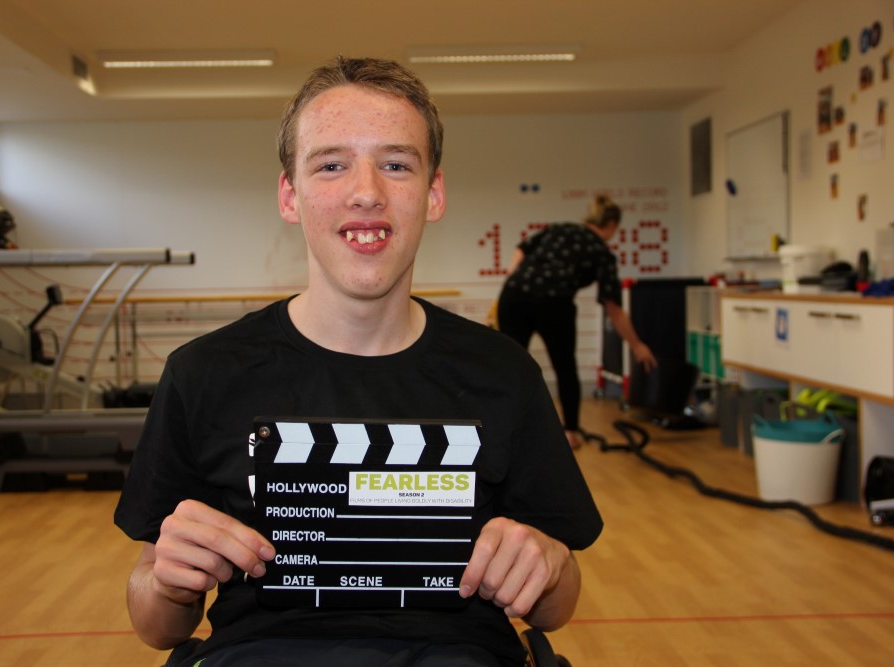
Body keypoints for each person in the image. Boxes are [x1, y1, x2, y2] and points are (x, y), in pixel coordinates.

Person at [114, 56, 603, 667]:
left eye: (397, 164)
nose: (366, 191)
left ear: (434, 193)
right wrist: (165, 580)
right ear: (290, 195)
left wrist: (550, 568)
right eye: (332, 165)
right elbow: (156, 627)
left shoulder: (504, 374)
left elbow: (556, 606)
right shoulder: (203, 374)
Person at [494, 196, 657, 451]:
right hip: (555, 304)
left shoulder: (560, 229)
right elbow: (613, 307)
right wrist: (637, 345)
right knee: (565, 368)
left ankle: (502, 429)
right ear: (611, 225)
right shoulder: (602, 252)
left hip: (514, 296)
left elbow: (521, 248)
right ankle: (570, 432)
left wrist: (512, 276)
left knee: (510, 365)